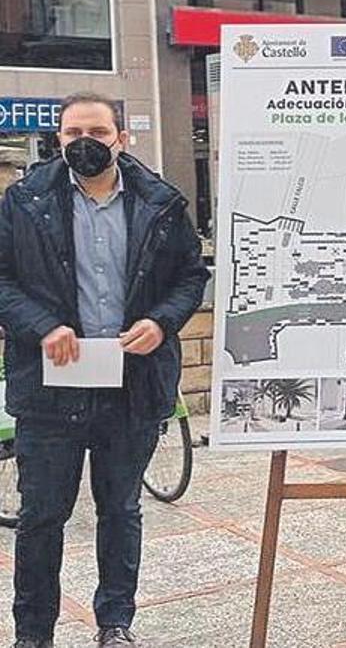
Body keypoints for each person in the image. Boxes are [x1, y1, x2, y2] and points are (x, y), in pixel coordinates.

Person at [0, 92, 210, 648]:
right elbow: (2, 280)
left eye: (97, 131)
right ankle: (33, 634)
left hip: (130, 385)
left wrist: (162, 322)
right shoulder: (23, 201)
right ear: (58, 138)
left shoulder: (160, 202)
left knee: (120, 510)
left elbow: (191, 276)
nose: (85, 142)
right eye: (73, 133)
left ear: (121, 136)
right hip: (51, 388)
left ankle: (115, 623)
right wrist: (41, 324)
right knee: (42, 518)